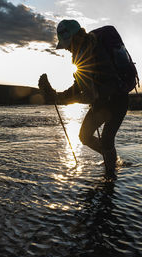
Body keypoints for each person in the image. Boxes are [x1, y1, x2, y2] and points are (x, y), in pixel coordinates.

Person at [55, 19, 130, 179]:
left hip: (117, 100)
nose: (66, 48)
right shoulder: (80, 53)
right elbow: (79, 84)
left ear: (75, 38)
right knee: (84, 136)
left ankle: (110, 176)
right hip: (102, 103)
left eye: (67, 43)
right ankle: (113, 162)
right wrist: (61, 95)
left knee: (107, 139)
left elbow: (97, 89)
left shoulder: (94, 50)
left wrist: (73, 99)